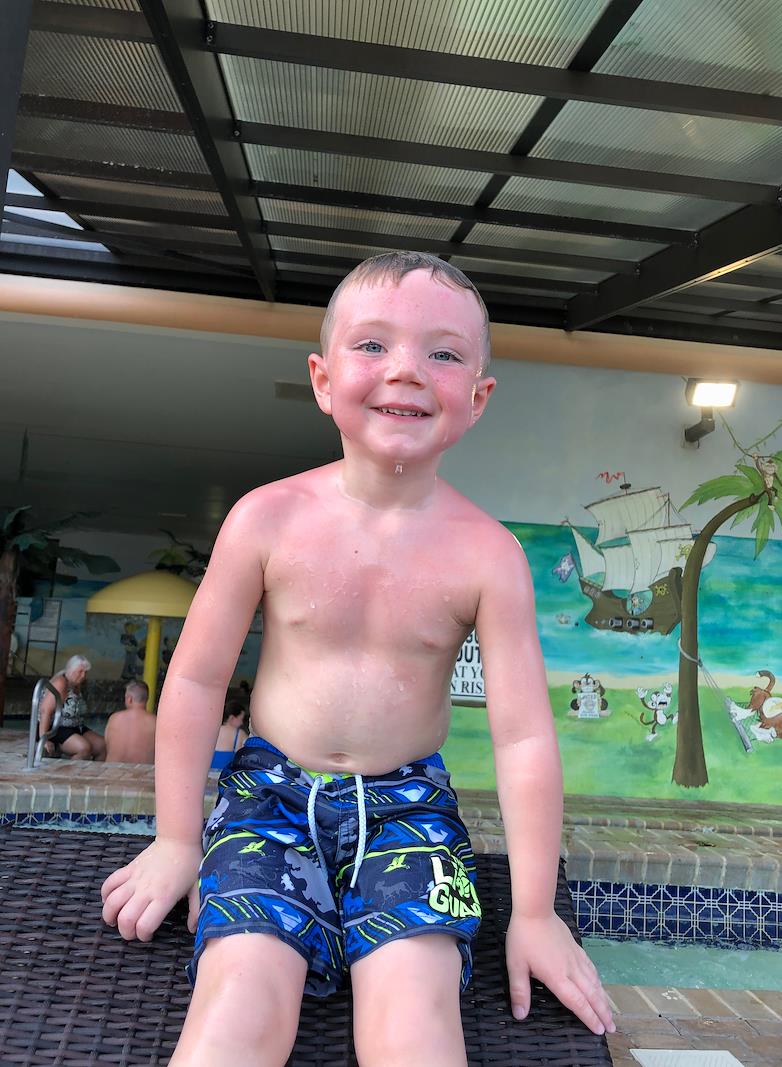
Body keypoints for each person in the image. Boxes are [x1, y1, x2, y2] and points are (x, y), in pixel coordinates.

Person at [101, 251, 614, 1066]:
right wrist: (175, 838)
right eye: (373, 345)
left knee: (415, 1020)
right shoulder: (264, 520)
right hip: (268, 799)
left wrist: (537, 912)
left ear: (478, 397)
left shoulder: (490, 555)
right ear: (322, 378)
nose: (406, 370)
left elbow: (523, 738)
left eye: (443, 352)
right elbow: (195, 681)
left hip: (409, 809)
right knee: (238, 999)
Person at [40, 654, 105, 760]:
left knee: (102, 745)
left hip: (74, 726)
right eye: (80, 671)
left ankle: (90, 774)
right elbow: (44, 710)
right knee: (84, 749)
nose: (83, 675)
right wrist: (44, 739)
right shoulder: (60, 682)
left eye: (85, 672)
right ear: (70, 670)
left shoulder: (75, 684)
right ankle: (66, 774)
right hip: (56, 728)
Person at [104, 681, 156, 764]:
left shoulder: (114, 718)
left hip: (112, 772)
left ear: (129, 699)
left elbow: (107, 745)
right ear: (146, 699)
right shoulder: (155, 721)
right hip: (142, 773)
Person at [210, 699, 248, 770]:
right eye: (241, 719)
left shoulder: (210, 731)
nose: (242, 723)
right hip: (226, 778)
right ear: (232, 718)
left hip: (207, 778)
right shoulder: (240, 734)